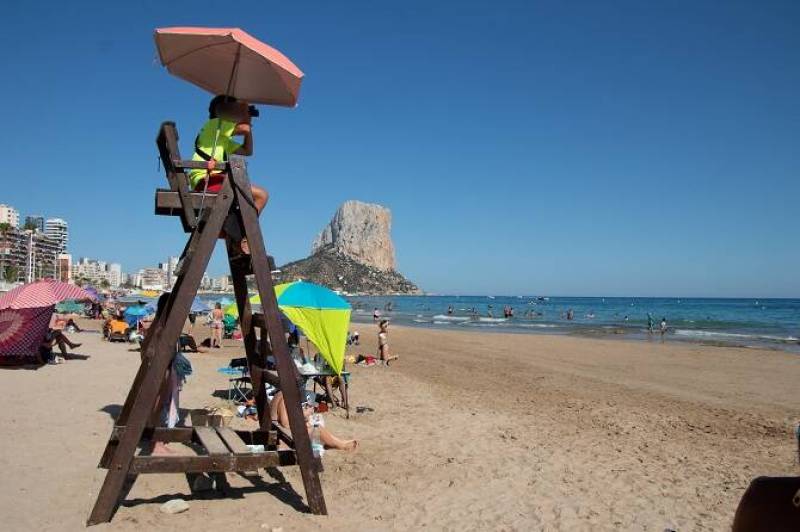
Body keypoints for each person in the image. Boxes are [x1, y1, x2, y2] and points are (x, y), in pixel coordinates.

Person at [189, 95, 269, 254]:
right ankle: (244, 237)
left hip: (214, 181)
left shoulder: (221, 137)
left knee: (256, 198)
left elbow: (247, 151)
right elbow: (244, 129)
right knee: (261, 195)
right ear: (222, 111)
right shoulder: (215, 124)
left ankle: (239, 237)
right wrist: (245, 112)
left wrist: (247, 121)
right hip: (209, 181)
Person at [269, 390, 357, 452]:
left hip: (277, 432)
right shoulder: (285, 397)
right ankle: (340, 445)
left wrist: (303, 419)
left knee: (311, 424)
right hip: (280, 437)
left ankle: (336, 442)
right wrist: (304, 415)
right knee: (317, 428)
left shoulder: (282, 393)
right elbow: (285, 423)